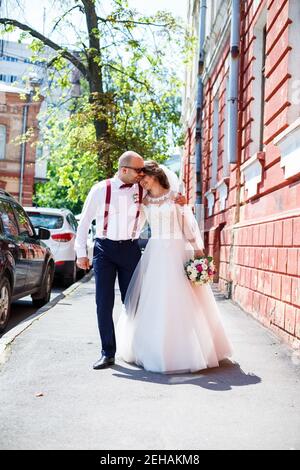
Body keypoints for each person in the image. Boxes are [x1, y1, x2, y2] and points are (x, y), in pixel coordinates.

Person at [116, 161, 233, 374]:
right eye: (140, 178)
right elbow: (136, 225)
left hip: (177, 248)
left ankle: (194, 349)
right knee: (156, 299)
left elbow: (187, 224)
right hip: (156, 251)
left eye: (145, 177)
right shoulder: (144, 201)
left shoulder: (175, 197)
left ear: (155, 175)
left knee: (186, 297)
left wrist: (198, 250)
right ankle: (154, 349)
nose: (142, 181)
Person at [75, 151, 186, 370]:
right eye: (138, 170)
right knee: (103, 303)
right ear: (124, 170)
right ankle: (107, 353)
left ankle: (137, 348)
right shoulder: (100, 189)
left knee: (134, 302)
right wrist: (81, 253)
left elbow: (164, 195)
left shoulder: (143, 189)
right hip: (104, 249)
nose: (141, 173)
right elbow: (85, 221)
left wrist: (180, 199)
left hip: (130, 249)